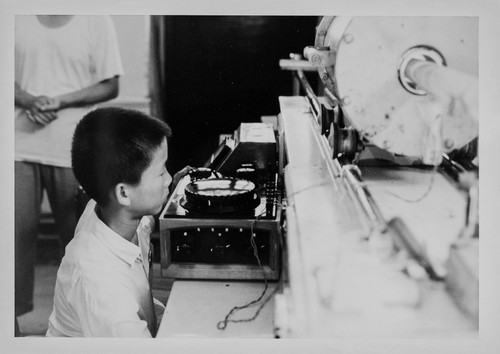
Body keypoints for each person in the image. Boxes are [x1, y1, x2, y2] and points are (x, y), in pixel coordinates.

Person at [14, 15, 123, 325]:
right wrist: (30, 100)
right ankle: (8, 334)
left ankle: (82, 329)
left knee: (81, 246)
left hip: (74, 148)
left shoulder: (95, 19)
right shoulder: (14, 15)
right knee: (9, 245)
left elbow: (110, 84)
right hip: (16, 146)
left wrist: (58, 102)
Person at [47, 107, 190, 337]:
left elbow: (147, 220)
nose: (168, 179)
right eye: (161, 172)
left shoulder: (112, 212)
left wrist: (172, 191)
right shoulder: (101, 284)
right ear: (123, 193)